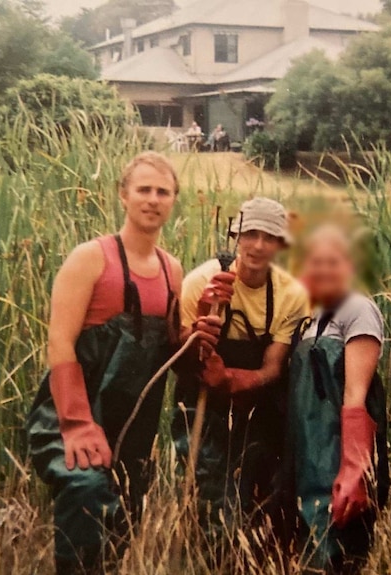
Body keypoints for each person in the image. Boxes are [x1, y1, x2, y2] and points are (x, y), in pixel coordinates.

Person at [26, 151, 184, 574]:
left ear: (173, 200)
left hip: (131, 423)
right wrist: (77, 424)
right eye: (144, 189)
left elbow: (173, 348)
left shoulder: (173, 271)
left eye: (163, 192)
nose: (153, 199)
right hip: (68, 412)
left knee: (122, 519)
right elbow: (59, 343)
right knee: (87, 487)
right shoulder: (90, 258)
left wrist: (205, 328)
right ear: (123, 195)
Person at [173, 197, 309, 536]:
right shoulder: (202, 281)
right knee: (205, 488)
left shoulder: (291, 294)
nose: (258, 245)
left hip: (256, 403)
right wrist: (204, 320)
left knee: (255, 492)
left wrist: (229, 380)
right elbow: (178, 351)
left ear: (281, 245)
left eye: (269, 237)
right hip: (201, 397)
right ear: (236, 236)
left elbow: (272, 369)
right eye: (250, 234)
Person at [287, 225, 389, 573]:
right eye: (316, 262)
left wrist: (354, 470)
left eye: (334, 262)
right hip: (307, 456)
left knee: (336, 553)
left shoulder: (358, 309)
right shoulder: (304, 318)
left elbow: (356, 396)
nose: (324, 270)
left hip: (338, 455)